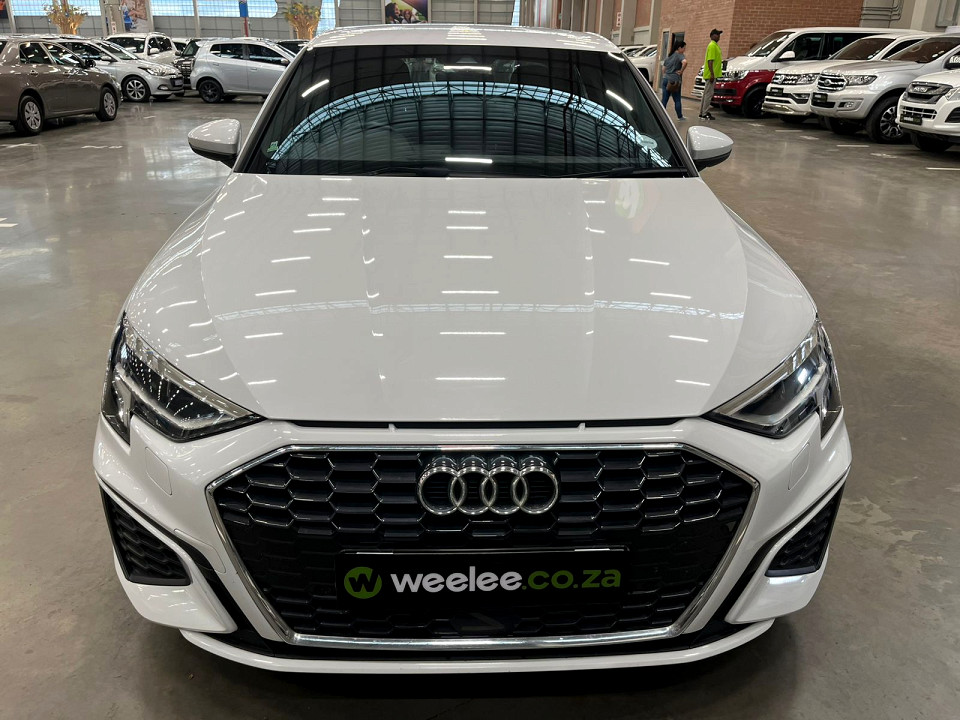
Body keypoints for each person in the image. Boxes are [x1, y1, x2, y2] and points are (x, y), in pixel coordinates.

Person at [699, 29, 723, 120]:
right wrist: (712, 74)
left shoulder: (715, 45)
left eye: (719, 35)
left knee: (706, 93)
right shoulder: (712, 46)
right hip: (711, 75)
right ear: (712, 36)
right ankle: (704, 113)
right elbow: (710, 61)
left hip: (712, 74)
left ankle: (702, 112)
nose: (718, 36)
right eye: (716, 34)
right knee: (709, 94)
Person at [661, 41, 687, 120]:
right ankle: (680, 116)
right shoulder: (680, 55)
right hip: (674, 81)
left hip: (666, 79)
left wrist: (665, 76)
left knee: (664, 99)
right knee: (677, 99)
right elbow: (685, 62)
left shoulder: (669, 56)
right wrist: (681, 71)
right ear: (679, 48)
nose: (684, 50)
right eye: (684, 48)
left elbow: (663, 69)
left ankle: (660, 115)